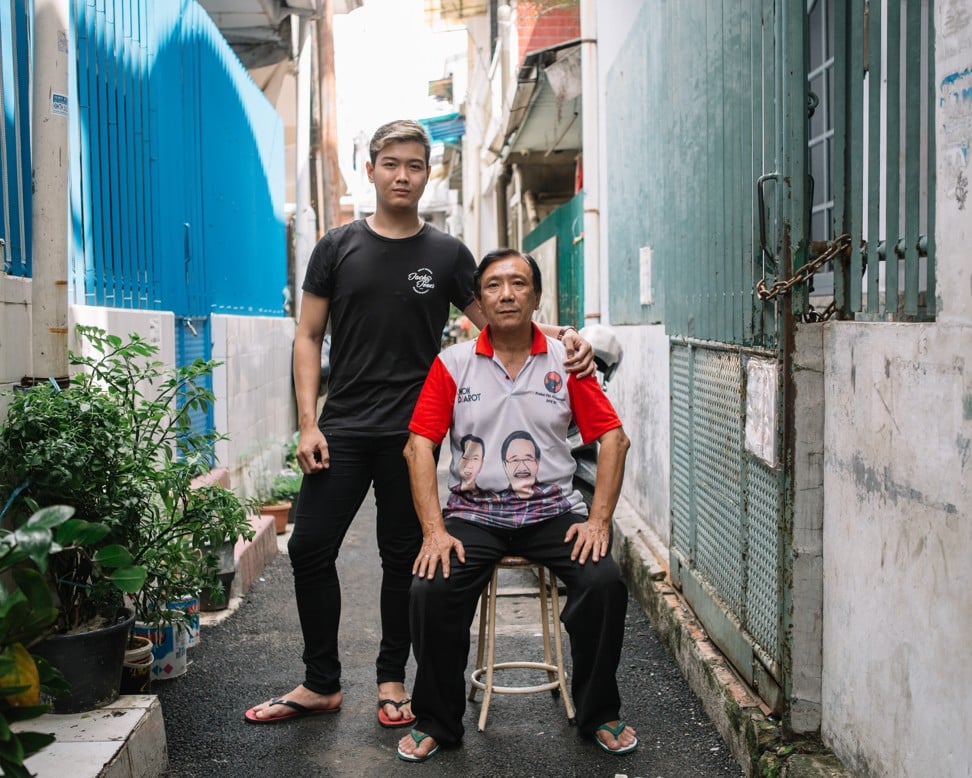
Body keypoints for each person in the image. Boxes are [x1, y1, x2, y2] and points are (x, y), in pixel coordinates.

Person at [244, 120, 596, 727]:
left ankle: (390, 682)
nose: (402, 175)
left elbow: (504, 313)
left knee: (405, 557)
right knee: (308, 547)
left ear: (426, 173)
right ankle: (320, 681)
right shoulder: (336, 247)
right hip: (345, 425)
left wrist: (565, 338)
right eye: (391, 164)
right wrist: (308, 423)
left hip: (417, 433)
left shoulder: (446, 253)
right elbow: (307, 336)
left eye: (414, 165)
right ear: (372, 169)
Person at [397, 248, 637, 762]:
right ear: (479, 300)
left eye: (519, 284)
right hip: (474, 513)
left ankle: (600, 712)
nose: (506, 294)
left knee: (603, 582)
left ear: (536, 296)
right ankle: (437, 718)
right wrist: (435, 532)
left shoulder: (568, 361)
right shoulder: (453, 364)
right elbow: (419, 445)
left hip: (551, 509)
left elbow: (613, 439)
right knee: (429, 589)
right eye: (494, 286)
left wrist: (599, 520)